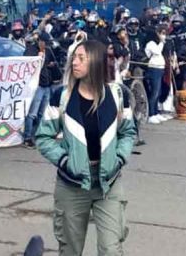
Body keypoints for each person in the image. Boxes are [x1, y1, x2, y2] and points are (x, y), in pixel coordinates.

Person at [36, 40, 136, 256]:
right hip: (72, 185)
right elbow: (43, 137)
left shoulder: (118, 95)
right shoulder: (61, 96)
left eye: (82, 58)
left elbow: (128, 133)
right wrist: (64, 161)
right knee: (70, 249)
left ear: (97, 62)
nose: (75, 62)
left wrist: (118, 159)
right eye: (74, 57)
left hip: (108, 184)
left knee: (111, 249)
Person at [23, 33, 59, 148]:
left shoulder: (48, 51)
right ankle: (27, 137)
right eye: (45, 43)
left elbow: (54, 62)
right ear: (40, 41)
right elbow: (27, 65)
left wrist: (51, 65)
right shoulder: (31, 50)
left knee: (42, 113)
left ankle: (38, 135)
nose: (46, 45)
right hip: (37, 86)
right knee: (32, 113)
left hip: (46, 85)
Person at [145, 24, 169, 125]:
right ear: (157, 34)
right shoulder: (151, 43)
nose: (164, 36)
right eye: (162, 33)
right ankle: (151, 114)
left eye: (165, 34)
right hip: (153, 69)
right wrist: (162, 43)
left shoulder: (158, 43)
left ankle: (156, 112)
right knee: (154, 92)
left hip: (160, 69)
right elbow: (157, 52)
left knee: (158, 92)